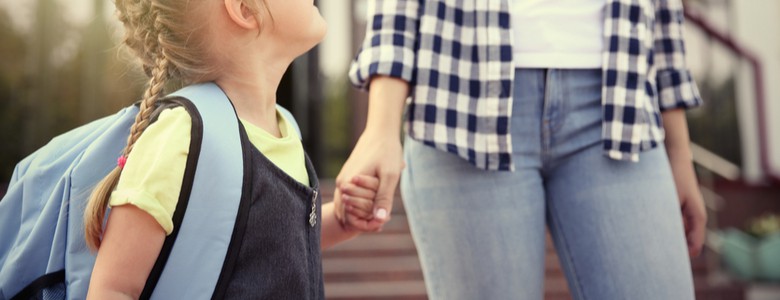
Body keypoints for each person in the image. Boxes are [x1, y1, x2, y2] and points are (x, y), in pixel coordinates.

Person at [337, 0, 707, 299]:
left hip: (620, 105)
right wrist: (381, 125)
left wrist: (679, 152)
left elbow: (663, 16)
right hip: (462, 103)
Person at [84, 0, 377, 298]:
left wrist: (340, 219)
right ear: (245, 9)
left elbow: (269, 248)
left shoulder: (284, 127)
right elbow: (113, 289)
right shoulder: (181, 136)